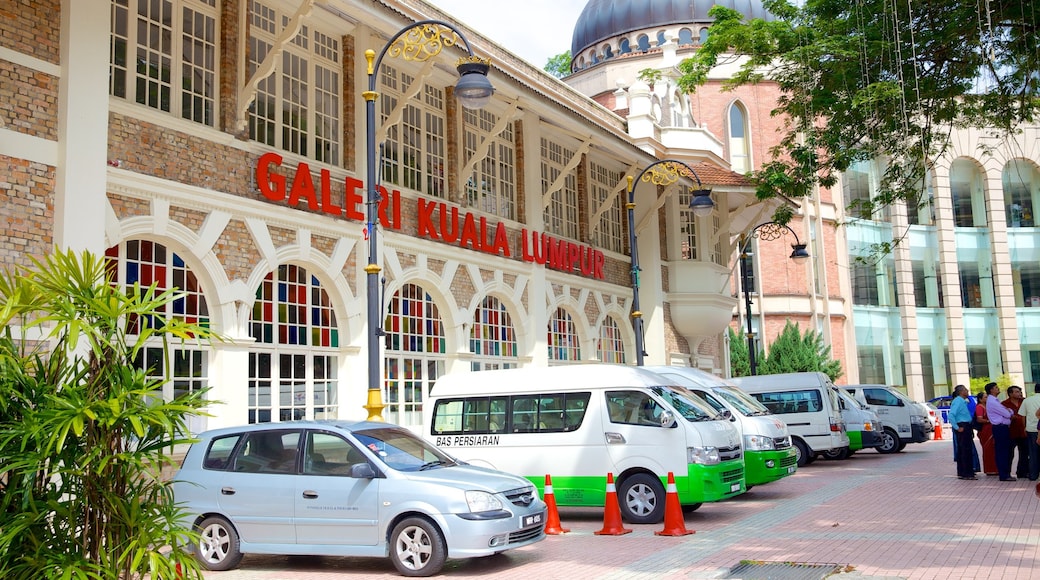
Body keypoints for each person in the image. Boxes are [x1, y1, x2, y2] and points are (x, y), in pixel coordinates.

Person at [986, 382, 1016, 481]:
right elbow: (1007, 414)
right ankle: (1004, 474)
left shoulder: (995, 400)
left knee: (1005, 451)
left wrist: (1009, 411)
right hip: (1000, 427)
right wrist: (1009, 411)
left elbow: (1007, 412)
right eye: (996, 388)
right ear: (991, 390)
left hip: (1002, 427)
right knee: (1003, 451)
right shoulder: (992, 401)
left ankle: (1005, 473)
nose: (998, 389)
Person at [948, 385, 976, 480]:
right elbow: (951, 415)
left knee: (964, 450)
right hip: (962, 425)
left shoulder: (962, 401)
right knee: (965, 450)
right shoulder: (958, 401)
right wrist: (957, 427)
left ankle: (963, 471)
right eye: (965, 390)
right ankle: (967, 473)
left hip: (966, 425)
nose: (967, 391)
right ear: (961, 391)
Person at [1003, 385, 1028, 478]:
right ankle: (1007, 473)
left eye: (1020, 392)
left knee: (1024, 453)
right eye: (1016, 392)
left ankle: (1022, 472)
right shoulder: (1005, 404)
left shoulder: (1024, 401)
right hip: (1011, 432)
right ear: (1010, 393)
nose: (1019, 394)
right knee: (1010, 453)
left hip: (1024, 431)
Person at [1017, 384, 1040, 481]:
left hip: (1031, 429)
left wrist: (1024, 427)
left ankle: (1033, 475)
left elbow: (1023, 416)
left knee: (1033, 453)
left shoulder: (1027, 400)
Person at [975, 390, 995, 476]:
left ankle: (994, 468)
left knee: (993, 449)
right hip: (985, 430)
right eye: (985, 397)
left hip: (991, 429)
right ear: (980, 399)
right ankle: (989, 469)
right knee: (988, 449)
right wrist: (989, 420)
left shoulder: (987, 406)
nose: (987, 398)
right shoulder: (979, 407)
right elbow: (979, 419)